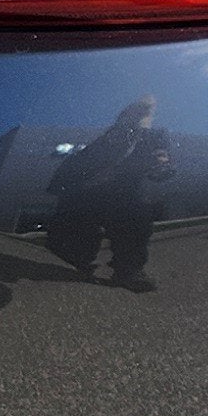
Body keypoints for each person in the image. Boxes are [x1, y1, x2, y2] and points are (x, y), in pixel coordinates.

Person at [43, 96, 174, 290]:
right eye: (134, 112)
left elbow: (162, 163)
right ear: (123, 116)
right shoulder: (106, 138)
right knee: (73, 234)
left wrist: (161, 166)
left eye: (145, 112)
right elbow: (77, 164)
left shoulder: (153, 137)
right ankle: (75, 255)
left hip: (125, 194)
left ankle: (128, 270)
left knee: (135, 213)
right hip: (89, 195)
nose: (138, 117)